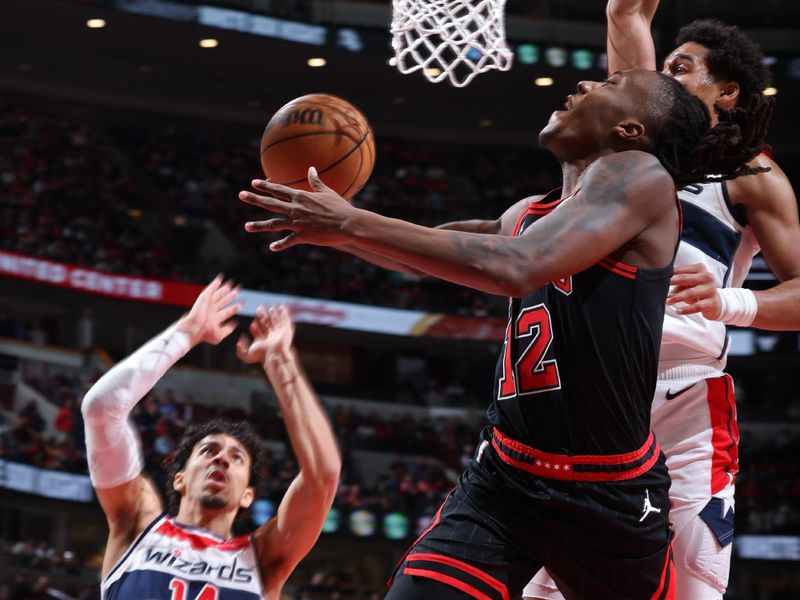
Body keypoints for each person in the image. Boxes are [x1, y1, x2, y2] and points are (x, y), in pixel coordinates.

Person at [239, 70, 765, 598]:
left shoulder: (642, 177)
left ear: (629, 130)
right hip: (506, 477)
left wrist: (350, 225)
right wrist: (334, 226)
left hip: (606, 492)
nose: (584, 83)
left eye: (609, 84)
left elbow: (519, 265)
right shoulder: (530, 214)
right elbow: (430, 252)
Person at [524, 7, 800, 600]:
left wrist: (732, 302)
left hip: (685, 398)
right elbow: (626, 15)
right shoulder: (631, 144)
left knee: (692, 589)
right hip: (588, 392)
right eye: (663, 66)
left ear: (727, 92)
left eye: (683, 68)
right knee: (548, 590)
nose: (663, 77)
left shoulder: (752, 174)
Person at [81, 276, 341, 599]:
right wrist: (186, 333)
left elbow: (323, 474)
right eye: (208, 450)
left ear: (248, 496)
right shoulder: (136, 523)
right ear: (179, 478)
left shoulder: (262, 559)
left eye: (237, 458)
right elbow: (101, 409)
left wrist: (279, 359)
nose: (221, 458)